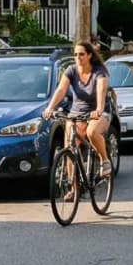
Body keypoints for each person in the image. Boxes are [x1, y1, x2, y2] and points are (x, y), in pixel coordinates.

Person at [42, 43, 112, 179]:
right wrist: (50, 108)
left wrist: (98, 109)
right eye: (75, 54)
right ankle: (73, 188)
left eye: (81, 54)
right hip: (77, 112)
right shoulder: (71, 70)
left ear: (89, 55)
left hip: (98, 111)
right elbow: (61, 89)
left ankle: (104, 160)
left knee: (92, 132)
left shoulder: (98, 71)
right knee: (70, 147)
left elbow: (101, 89)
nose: (78, 57)